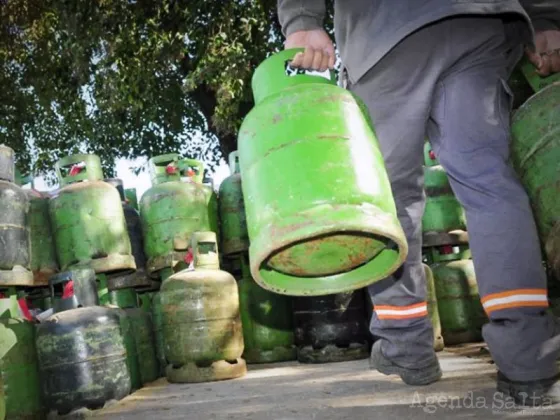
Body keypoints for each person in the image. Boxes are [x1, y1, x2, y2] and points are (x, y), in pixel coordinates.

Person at [277, 0, 560, 407]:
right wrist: (547, 17)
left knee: (390, 199)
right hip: (477, 23)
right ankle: (529, 358)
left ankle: (406, 346)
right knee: (488, 185)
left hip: (384, 32)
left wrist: (302, 21)